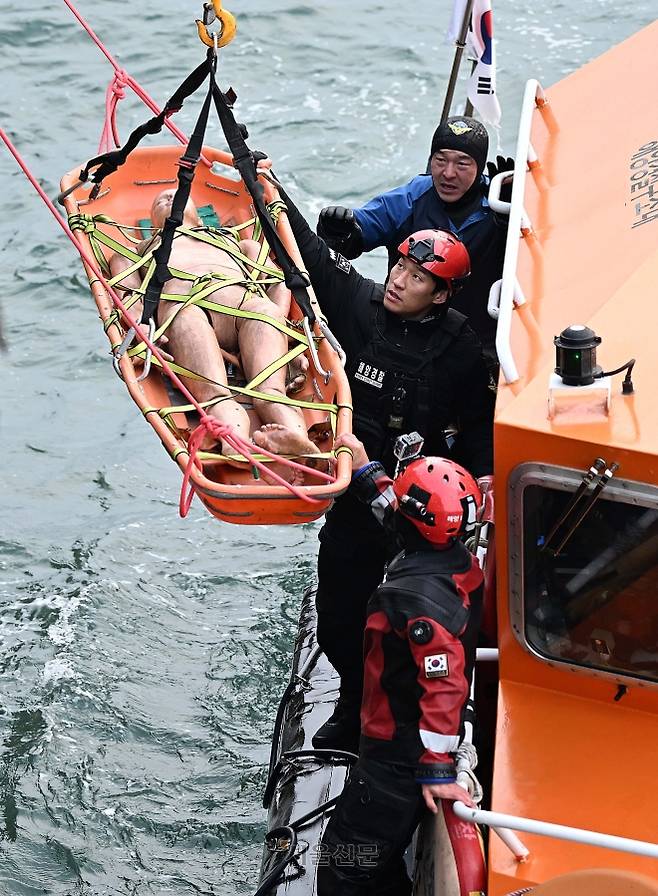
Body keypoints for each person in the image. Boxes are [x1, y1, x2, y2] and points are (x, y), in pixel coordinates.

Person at [271, 177, 494, 752]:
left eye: (417, 277)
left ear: (441, 294)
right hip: (355, 493)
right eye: (398, 267)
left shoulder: (461, 347)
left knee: (407, 616)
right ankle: (352, 700)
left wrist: (485, 481)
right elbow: (310, 254)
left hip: (423, 510)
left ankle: (400, 714)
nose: (399, 280)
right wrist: (262, 178)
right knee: (338, 615)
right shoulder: (362, 307)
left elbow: (478, 420)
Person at [316, 431, 482, 896]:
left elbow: (445, 681)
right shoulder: (457, 564)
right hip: (396, 755)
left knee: (342, 867)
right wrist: (367, 469)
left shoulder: (414, 601)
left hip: (394, 763)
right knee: (378, 863)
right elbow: (400, 515)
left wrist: (435, 769)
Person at [109, 189, 318, 465]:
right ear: (152, 220)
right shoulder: (134, 252)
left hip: (244, 303)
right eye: (159, 200)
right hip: (185, 308)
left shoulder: (239, 243)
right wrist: (143, 328)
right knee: (215, 394)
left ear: (198, 213)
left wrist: (277, 322)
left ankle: (295, 438)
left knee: (271, 391)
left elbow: (277, 282)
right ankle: (236, 441)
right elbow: (129, 295)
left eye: (176, 193)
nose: (169, 198)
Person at [317, 116, 513, 362]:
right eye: (440, 160)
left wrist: (510, 220)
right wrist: (338, 229)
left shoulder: (500, 201)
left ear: (480, 166)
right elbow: (358, 233)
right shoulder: (411, 197)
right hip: (406, 334)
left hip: (480, 343)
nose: (448, 173)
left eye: (462, 164)